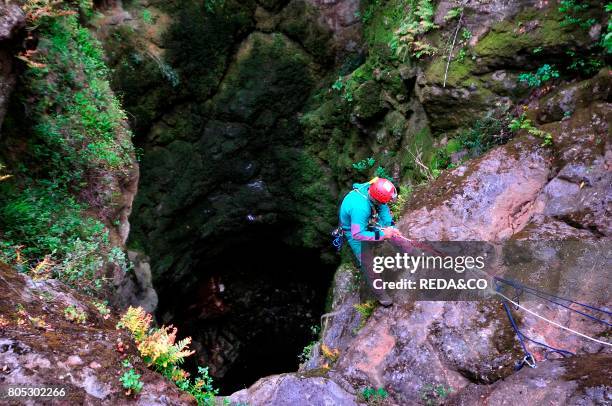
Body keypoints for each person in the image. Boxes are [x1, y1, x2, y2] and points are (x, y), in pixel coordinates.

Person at [338, 177, 402, 306]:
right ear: (378, 199)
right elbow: (358, 234)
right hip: (354, 230)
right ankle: (382, 296)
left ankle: (414, 254)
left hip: (369, 216)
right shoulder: (360, 208)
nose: (390, 201)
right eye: (388, 199)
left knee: (393, 234)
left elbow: (383, 208)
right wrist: (383, 234)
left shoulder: (375, 186)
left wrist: (391, 227)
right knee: (369, 265)